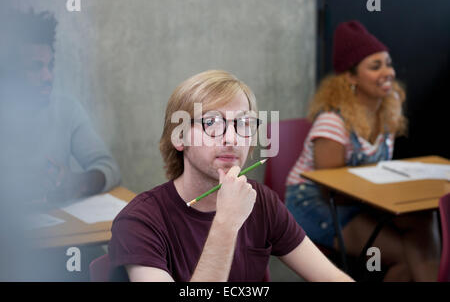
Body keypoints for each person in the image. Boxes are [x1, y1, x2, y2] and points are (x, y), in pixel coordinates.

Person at [108, 70, 353, 282]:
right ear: (179, 137)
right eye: (212, 122)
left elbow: (330, 276)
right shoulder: (140, 222)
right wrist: (226, 223)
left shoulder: (262, 201)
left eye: (243, 123)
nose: (232, 138)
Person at [285, 21, 440, 281]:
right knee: (404, 256)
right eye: (375, 66)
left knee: (422, 219)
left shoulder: (387, 116)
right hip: (316, 204)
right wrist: (388, 195)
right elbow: (330, 189)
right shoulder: (333, 122)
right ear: (351, 77)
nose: (388, 72)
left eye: (388, 64)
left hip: (363, 201)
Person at [0, 9, 121, 281]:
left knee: (105, 265)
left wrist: (77, 183)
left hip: (61, 241)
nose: (47, 76)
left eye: (50, 65)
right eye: (35, 67)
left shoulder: (66, 109)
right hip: (13, 248)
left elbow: (107, 166)